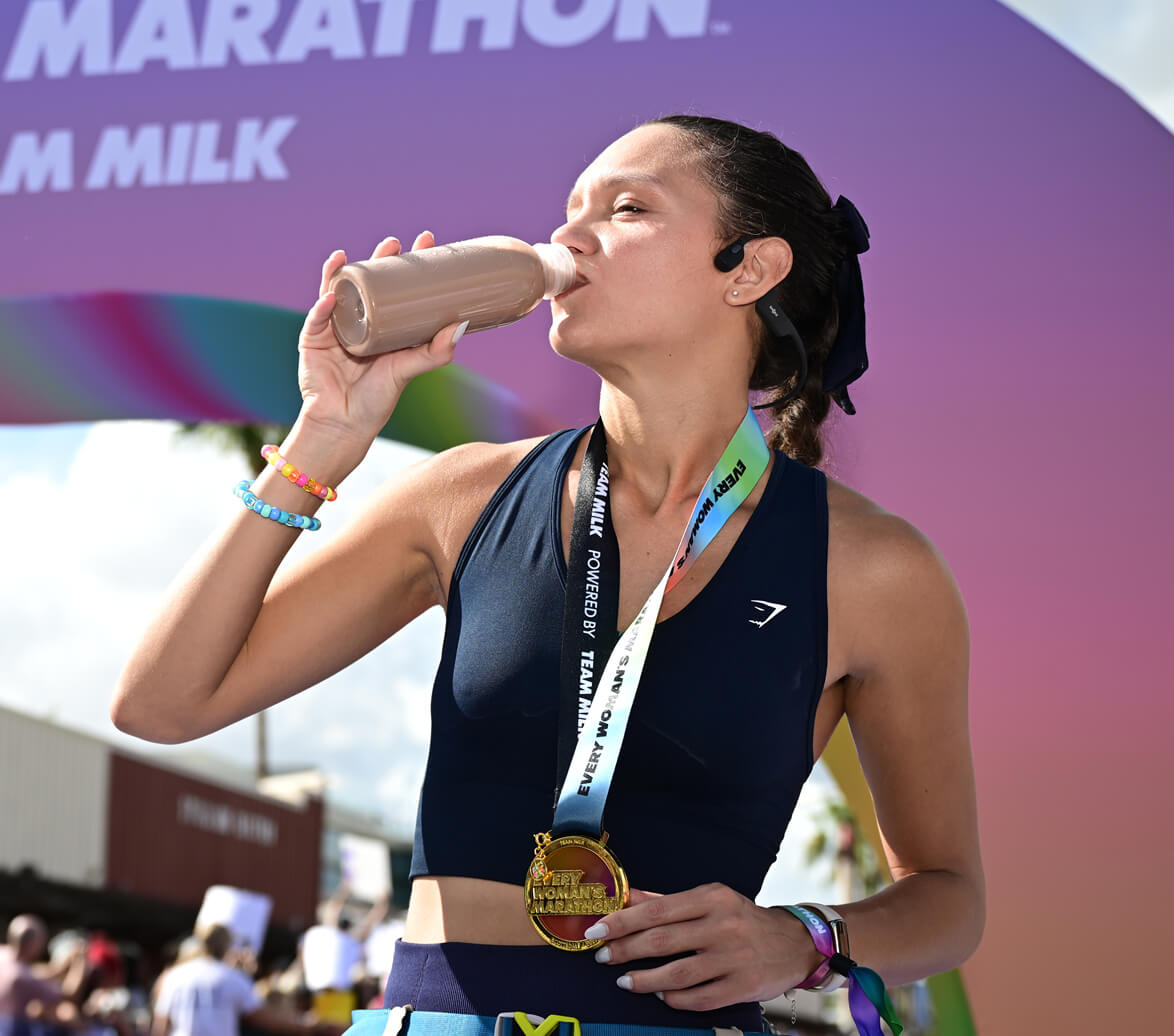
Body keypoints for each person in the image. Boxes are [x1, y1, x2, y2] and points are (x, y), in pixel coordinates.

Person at [113, 114, 984, 1034]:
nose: (569, 238)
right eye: (570, 209)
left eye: (627, 208)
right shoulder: (459, 495)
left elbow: (948, 897)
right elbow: (164, 704)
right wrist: (322, 440)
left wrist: (804, 936)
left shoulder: (875, 568)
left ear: (749, 269)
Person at [152, 925, 339, 1036]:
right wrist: (305, 1028)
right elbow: (264, 1019)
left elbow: (161, 1025)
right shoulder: (232, 978)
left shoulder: (175, 976)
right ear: (225, 946)